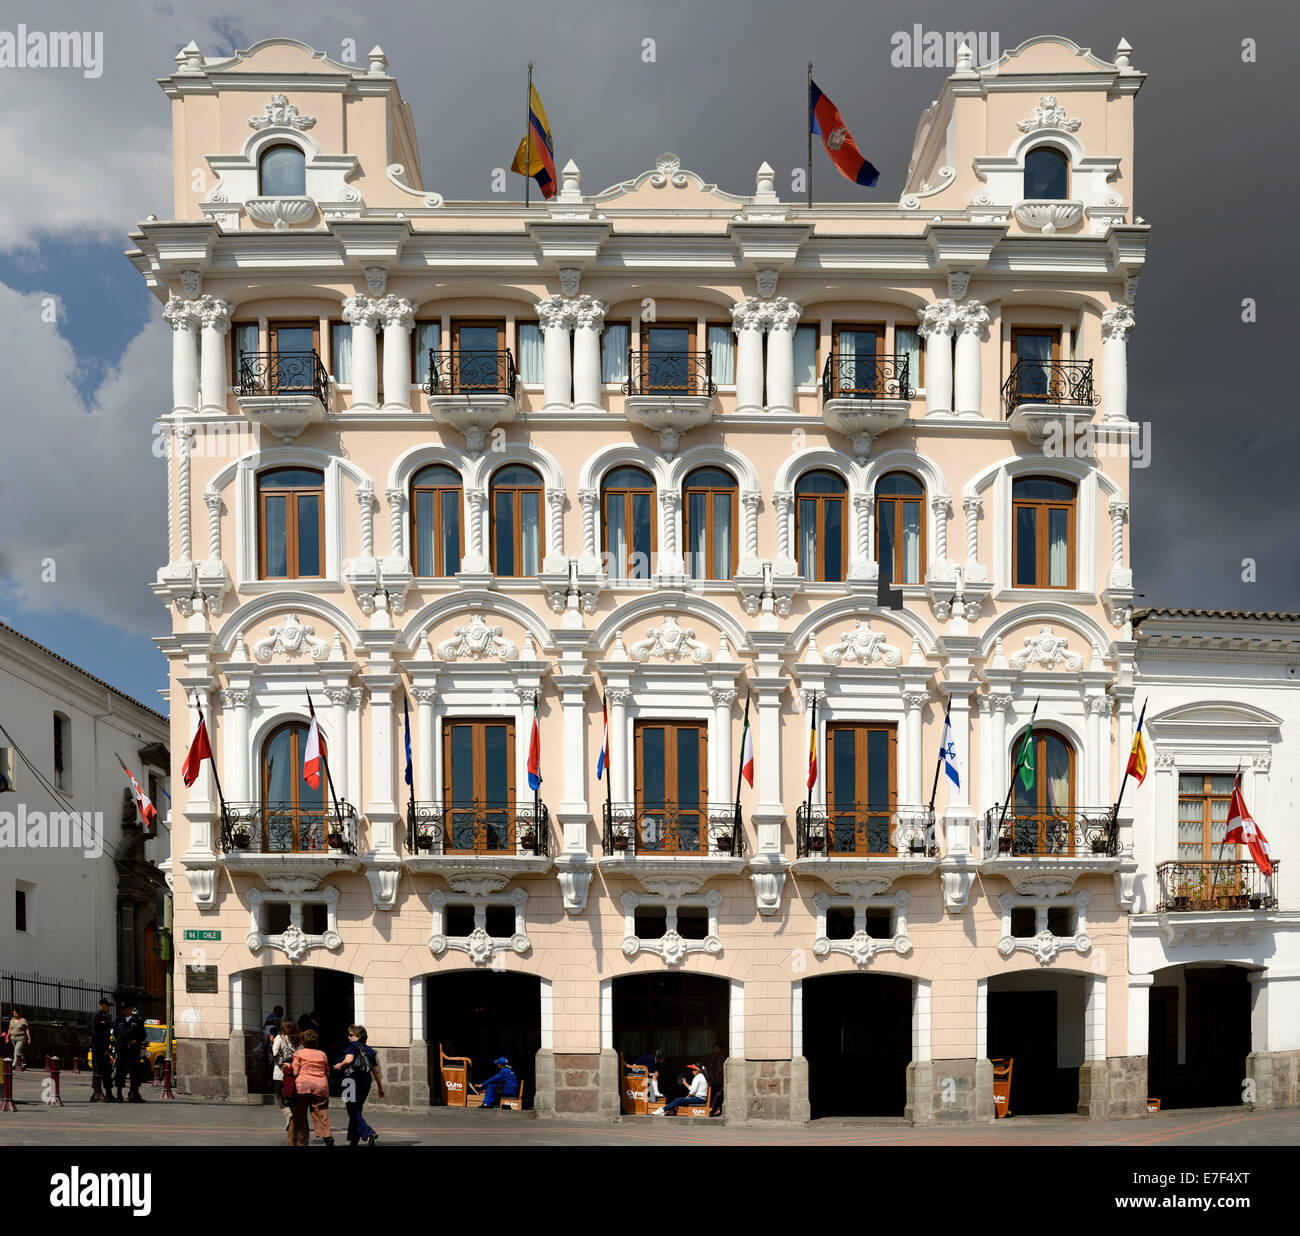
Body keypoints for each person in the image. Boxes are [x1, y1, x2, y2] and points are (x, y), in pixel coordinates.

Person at [333, 1024, 385, 1145]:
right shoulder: (370, 1050)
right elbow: (376, 1071)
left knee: (352, 1111)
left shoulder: (352, 1046)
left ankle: (368, 1133)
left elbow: (349, 1060)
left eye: (351, 1035)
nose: (348, 1037)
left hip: (351, 1082)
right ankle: (354, 1139)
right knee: (357, 1110)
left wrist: (340, 1065)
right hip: (365, 1082)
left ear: (357, 1036)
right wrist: (380, 1088)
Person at [290, 1028, 334, 1146]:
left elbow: (295, 1072)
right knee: (321, 1113)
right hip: (321, 1086)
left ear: (303, 1042)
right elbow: (327, 1072)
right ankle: (327, 1136)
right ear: (316, 1042)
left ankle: (300, 1141)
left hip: (303, 1086)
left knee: (300, 1115)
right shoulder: (322, 1054)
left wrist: (288, 1066)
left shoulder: (299, 1054)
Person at [112, 1002, 146, 1102]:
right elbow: (115, 1033)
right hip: (122, 1050)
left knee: (135, 1073)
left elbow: (143, 1035)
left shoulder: (138, 1021)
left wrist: (136, 1041)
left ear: (129, 1009)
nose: (122, 1011)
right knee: (120, 1073)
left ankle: (134, 1094)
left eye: (124, 1009)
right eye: (121, 1009)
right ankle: (119, 1095)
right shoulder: (119, 1020)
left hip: (133, 1051)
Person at [271, 1018, 301, 1128]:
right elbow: (301, 1054)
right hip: (293, 1071)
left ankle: (287, 1113)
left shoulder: (279, 1038)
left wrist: (281, 1062)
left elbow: (274, 1053)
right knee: (292, 1094)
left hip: (280, 1070)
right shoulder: (298, 1039)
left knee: (279, 1095)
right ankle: (294, 1118)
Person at [88, 997, 115, 1100]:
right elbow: (95, 1032)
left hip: (105, 1049)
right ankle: (97, 1093)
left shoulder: (105, 1016)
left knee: (107, 1071)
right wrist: (103, 1049)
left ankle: (109, 1093)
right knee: (97, 1071)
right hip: (98, 1049)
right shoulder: (97, 1016)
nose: (108, 1008)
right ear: (101, 1005)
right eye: (107, 1005)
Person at [705, 1042, 726, 1116]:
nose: (715, 1050)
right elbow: (710, 1066)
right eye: (714, 1048)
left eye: (717, 1048)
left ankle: (714, 1108)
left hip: (719, 1079)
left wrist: (719, 1076)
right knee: (713, 1094)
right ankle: (716, 1109)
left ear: (720, 1049)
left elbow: (720, 1068)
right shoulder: (712, 1056)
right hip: (713, 1079)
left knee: (718, 1094)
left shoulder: (722, 1056)